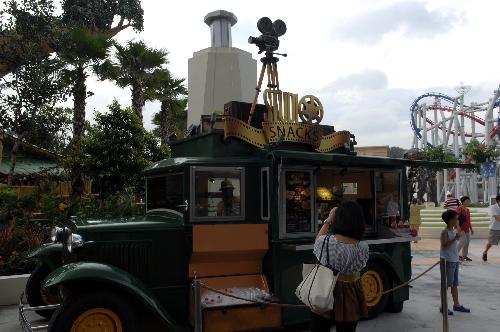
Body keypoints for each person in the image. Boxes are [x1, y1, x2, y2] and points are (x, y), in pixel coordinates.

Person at [311, 202, 369, 332]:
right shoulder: (362, 247)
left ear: (338, 219)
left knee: (319, 328)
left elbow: (317, 241)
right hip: (351, 292)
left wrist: (328, 220)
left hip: (325, 289)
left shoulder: (327, 242)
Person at [440, 210, 470, 315]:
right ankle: (443, 306)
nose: (457, 220)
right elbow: (444, 245)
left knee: (454, 284)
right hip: (447, 261)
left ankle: (456, 304)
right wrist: (455, 239)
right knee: (446, 285)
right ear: (450, 220)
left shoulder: (452, 230)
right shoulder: (445, 232)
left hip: (454, 260)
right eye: (456, 218)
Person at [482, 194, 500, 261]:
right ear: (498, 201)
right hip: (494, 228)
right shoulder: (493, 207)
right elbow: (498, 218)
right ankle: (485, 252)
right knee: (490, 243)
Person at [456, 196, 474, 261]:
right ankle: (454, 254)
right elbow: (456, 218)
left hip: (466, 228)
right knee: (463, 241)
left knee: (467, 242)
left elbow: (468, 220)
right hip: (460, 228)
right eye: (467, 201)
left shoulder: (467, 210)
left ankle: (464, 256)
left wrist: (471, 229)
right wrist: (458, 227)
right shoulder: (459, 209)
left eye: (469, 201)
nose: (468, 202)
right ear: (463, 202)